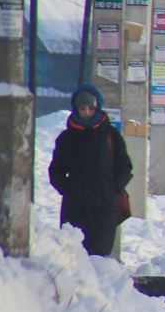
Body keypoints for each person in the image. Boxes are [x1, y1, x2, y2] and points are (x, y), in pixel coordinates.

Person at [48, 83, 133, 257]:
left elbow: (125, 166)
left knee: (100, 257)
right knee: (74, 255)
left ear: (97, 108)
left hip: (104, 207)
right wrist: (68, 188)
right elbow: (56, 170)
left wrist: (112, 188)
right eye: (82, 109)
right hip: (75, 207)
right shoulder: (67, 138)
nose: (86, 113)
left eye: (90, 108)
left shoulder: (110, 135)